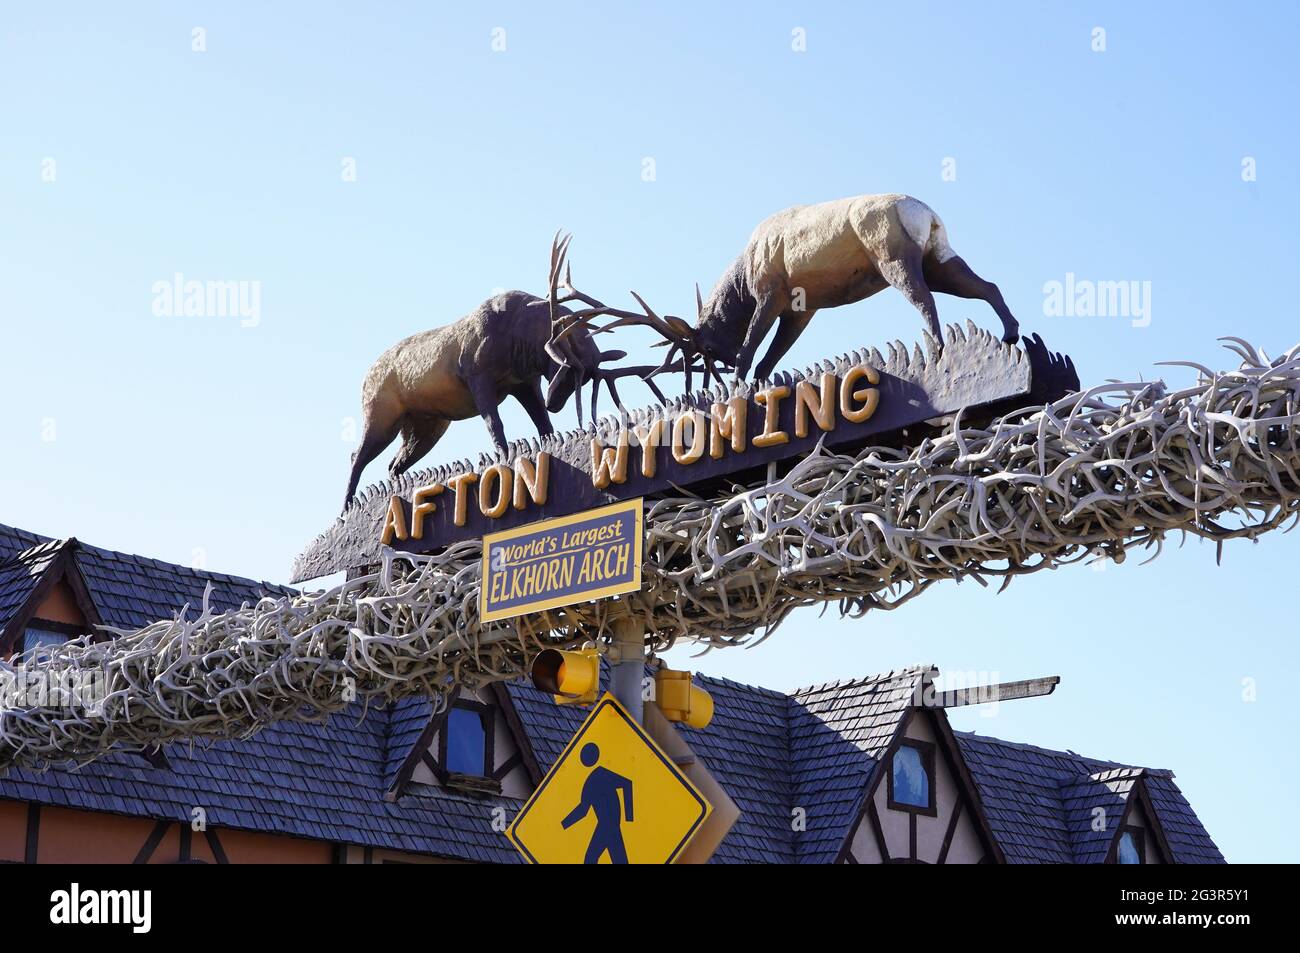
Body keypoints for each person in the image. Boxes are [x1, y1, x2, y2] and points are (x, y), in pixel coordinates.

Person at [561, 742, 634, 864]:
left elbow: (627, 784)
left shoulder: (600, 774)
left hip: (608, 825)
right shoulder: (590, 782)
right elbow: (583, 810)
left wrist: (629, 816)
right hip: (608, 825)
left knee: (590, 858)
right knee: (616, 860)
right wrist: (564, 824)